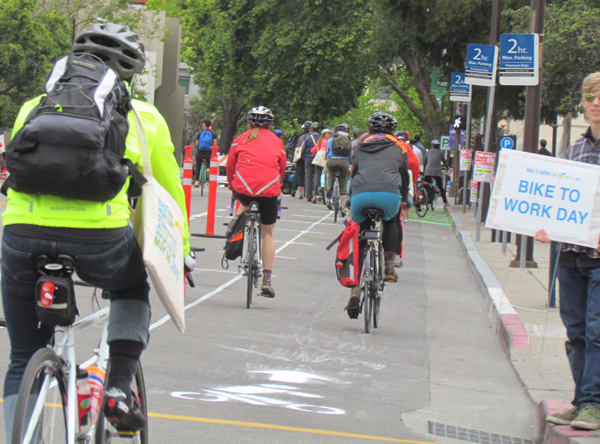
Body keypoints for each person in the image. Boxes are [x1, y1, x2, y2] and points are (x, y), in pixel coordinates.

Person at [1, 22, 193, 438]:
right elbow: (169, 195)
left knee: (22, 355)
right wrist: (183, 251)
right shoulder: (145, 117)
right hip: (98, 239)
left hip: (22, 233)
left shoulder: (35, 106)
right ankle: (119, 388)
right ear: (127, 72)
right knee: (129, 287)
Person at [536, 72, 600, 430]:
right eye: (590, 95)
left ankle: (594, 403)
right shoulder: (574, 150)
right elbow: (557, 200)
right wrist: (547, 227)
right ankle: (582, 400)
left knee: (597, 331)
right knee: (575, 331)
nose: (595, 102)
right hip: (571, 256)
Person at [345, 112, 409, 319]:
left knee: (360, 232)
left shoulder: (360, 147)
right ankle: (389, 266)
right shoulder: (400, 148)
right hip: (388, 195)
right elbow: (404, 176)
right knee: (391, 220)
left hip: (361, 196)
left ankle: (356, 288)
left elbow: (354, 175)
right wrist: (404, 198)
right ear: (392, 131)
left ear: (369, 130)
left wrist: (350, 199)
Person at [226, 106, 286, 297]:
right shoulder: (277, 142)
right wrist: (278, 185)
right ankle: (267, 279)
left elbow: (230, 166)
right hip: (269, 188)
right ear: (270, 124)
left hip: (244, 185)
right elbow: (281, 169)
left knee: (242, 203)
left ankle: (234, 231)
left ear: (249, 123)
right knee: (267, 232)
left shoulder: (240, 139)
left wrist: (232, 186)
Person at [325, 123, 352, 214]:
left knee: (330, 174)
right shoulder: (348, 139)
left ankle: (329, 192)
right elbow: (350, 154)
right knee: (343, 182)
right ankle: (343, 207)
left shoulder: (330, 139)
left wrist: (327, 160)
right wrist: (348, 163)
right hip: (343, 162)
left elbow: (327, 152)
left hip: (331, 160)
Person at [423, 139, 449, 207]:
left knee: (426, 185)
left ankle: (424, 199)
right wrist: (447, 167)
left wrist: (423, 171)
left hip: (428, 171)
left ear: (432, 146)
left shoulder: (428, 152)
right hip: (437, 172)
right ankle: (445, 202)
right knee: (440, 187)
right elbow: (444, 161)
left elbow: (425, 162)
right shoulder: (440, 153)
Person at [194, 119, 218, 187]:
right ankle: (208, 170)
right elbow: (215, 144)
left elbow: (197, 144)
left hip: (200, 152)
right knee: (210, 164)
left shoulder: (200, 133)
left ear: (204, 125)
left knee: (198, 166)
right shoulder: (213, 134)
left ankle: (196, 181)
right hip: (208, 152)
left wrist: (199, 147)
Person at [311, 128, 332, 204]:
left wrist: (314, 153)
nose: (329, 135)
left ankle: (315, 195)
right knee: (327, 176)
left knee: (317, 178)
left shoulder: (319, 141)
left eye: (329, 134)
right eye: (328, 134)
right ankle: (326, 194)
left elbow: (312, 150)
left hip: (318, 162)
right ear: (324, 135)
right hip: (326, 162)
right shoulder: (329, 142)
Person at [293, 121, 312, 199]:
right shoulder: (312, 136)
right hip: (309, 156)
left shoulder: (298, 136)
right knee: (309, 175)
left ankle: (297, 191)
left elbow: (292, 146)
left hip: (299, 157)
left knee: (299, 173)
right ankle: (308, 191)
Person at [301, 124, 319, 202]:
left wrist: (303, 157)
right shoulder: (321, 138)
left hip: (308, 159)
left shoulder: (308, 137)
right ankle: (316, 193)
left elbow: (303, 149)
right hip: (318, 159)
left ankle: (308, 195)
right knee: (317, 176)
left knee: (308, 177)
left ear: (311, 129)